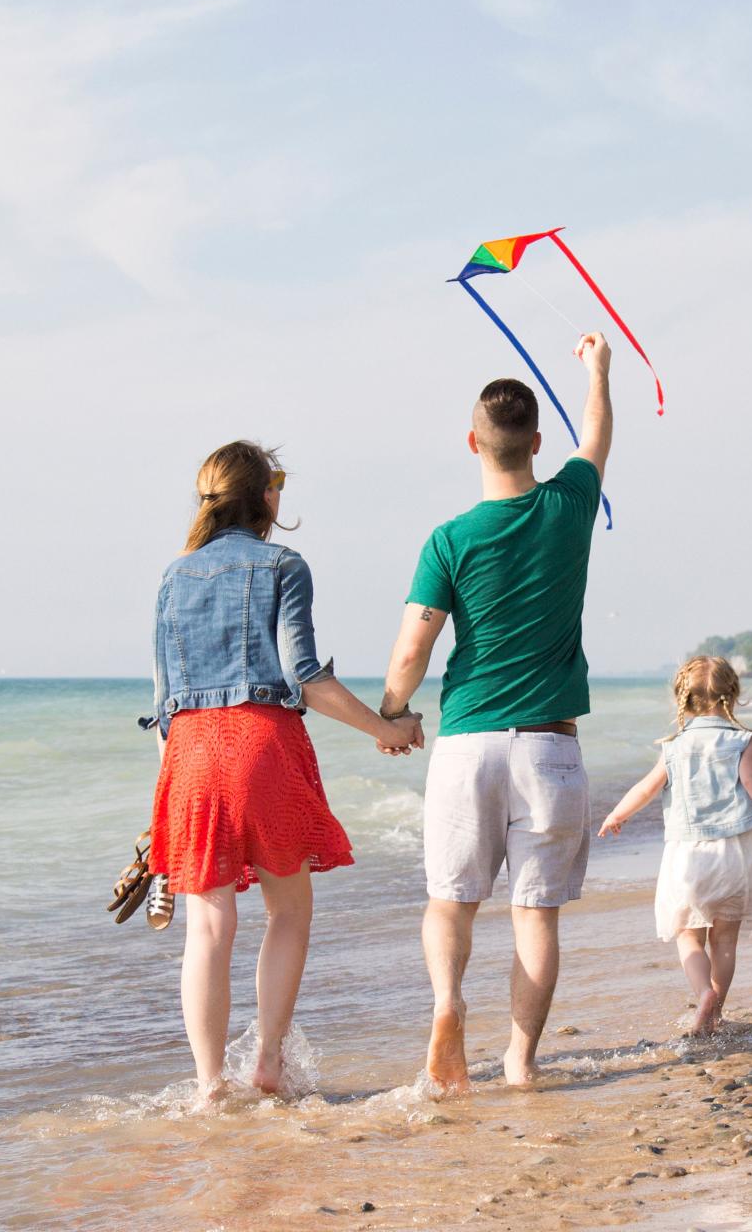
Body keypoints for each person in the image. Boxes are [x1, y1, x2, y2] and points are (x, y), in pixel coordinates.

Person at [150, 441, 421, 1100]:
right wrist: (387, 729)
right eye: (277, 487)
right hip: (262, 747)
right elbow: (307, 677)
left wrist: (165, 802)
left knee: (208, 928)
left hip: (189, 754)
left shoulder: (173, 576)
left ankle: (211, 1084)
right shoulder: (282, 566)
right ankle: (267, 1061)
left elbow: (164, 707)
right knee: (289, 910)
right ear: (264, 496)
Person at [380, 331, 614, 1094]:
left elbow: (414, 650)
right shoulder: (572, 504)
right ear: (538, 443)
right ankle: (519, 1062)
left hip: (469, 742)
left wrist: (393, 713)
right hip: (549, 746)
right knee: (535, 916)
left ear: (472, 441)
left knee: (450, 903)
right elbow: (599, 435)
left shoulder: (449, 539)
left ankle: (449, 1005)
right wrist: (598, 370)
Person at [597, 657, 752, 1037]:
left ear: (683, 699)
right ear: (732, 695)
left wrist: (616, 815)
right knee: (725, 940)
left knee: (688, 936)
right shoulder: (743, 742)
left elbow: (646, 788)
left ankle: (703, 996)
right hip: (737, 854)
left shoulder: (674, 746)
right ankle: (717, 1012)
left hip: (689, 856)